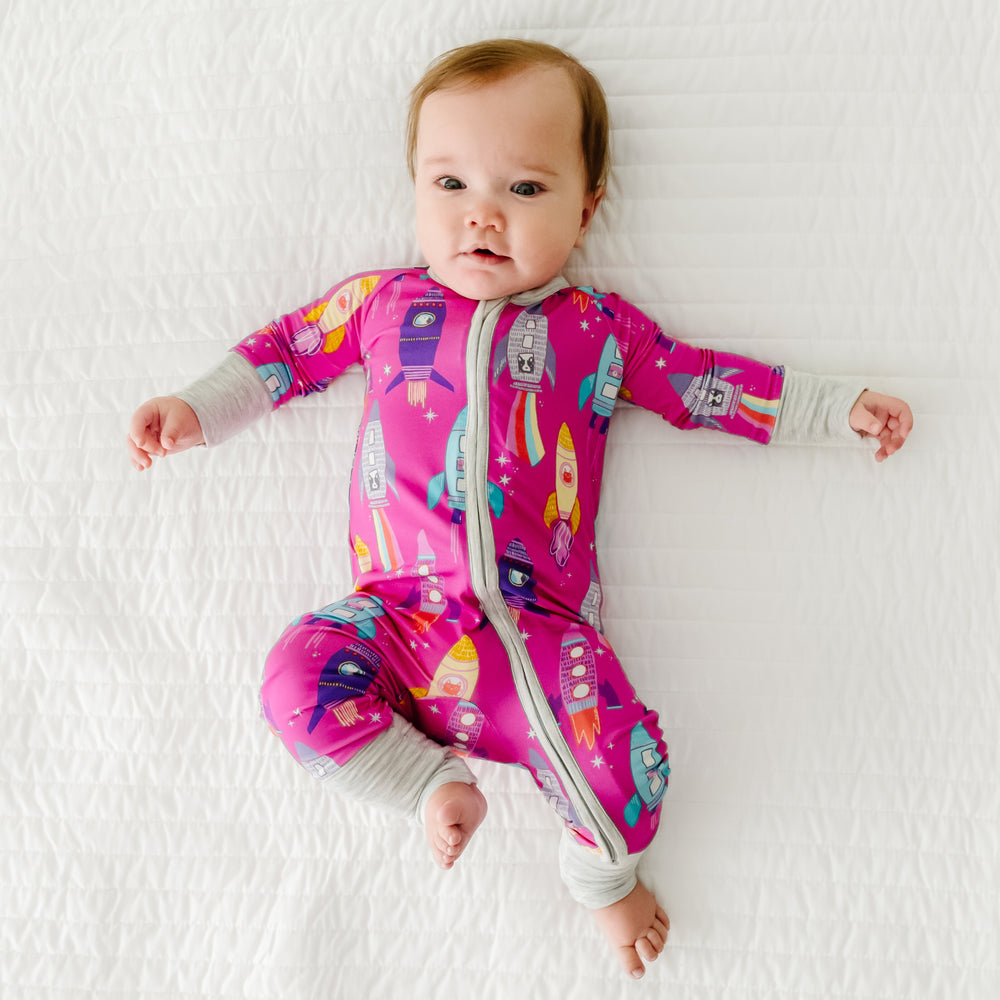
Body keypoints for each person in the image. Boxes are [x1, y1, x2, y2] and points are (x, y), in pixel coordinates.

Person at [126, 39, 912, 980]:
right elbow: (288, 353)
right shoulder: (383, 306)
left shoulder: (598, 332)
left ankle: (602, 878)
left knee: (632, 775)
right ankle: (431, 782)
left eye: (526, 191)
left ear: (588, 207)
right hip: (397, 624)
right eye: (450, 184)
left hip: (541, 648)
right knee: (293, 679)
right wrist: (196, 409)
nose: (482, 216)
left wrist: (833, 409)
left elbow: (705, 386)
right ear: (414, 191)